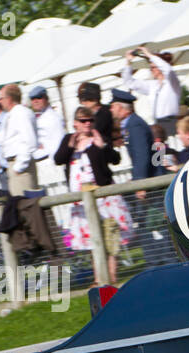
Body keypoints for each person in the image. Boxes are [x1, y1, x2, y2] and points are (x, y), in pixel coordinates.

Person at [55, 107, 132, 286]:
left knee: (109, 235)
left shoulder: (99, 138)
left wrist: (102, 146)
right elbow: (58, 159)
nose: (87, 123)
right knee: (91, 239)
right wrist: (71, 146)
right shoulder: (69, 140)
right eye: (83, 121)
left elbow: (115, 159)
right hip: (80, 199)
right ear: (75, 123)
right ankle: (99, 277)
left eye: (90, 120)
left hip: (103, 195)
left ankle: (111, 276)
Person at [121, 45, 181, 137]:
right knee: (159, 151)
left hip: (171, 123)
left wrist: (149, 55)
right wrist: (128, 62)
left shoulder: (172, 82)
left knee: (173, 148)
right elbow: (129, 82)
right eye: (150, 68)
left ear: (159, 67)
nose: (151, 70)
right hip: (157, 124)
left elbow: (168, 69)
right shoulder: (153, 85)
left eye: (153, 67)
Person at [0, 84, 39, 195]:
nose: (0, 102)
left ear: (9, 99)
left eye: (1, 98)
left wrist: (19, 167)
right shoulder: (11, 115)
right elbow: (0, 139)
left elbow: (29, 142)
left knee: (25, 206)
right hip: (14, 164)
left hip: (21, 166)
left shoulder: (21, 113)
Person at [110, 89, 154, 181]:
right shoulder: (130, 124)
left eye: (113, 106)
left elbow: (141, 154)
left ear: (120, 107)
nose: (111, 109)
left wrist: (139, 180)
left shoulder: (135, 125)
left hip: (150, 179)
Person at [28, 85, 65, 163]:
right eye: (32, 99)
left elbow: (59, 143)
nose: (35, 101)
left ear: (46, 98)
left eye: (39, 97)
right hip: (42, 161)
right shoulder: (40, 116)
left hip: (50, 161)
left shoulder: (52, 118)